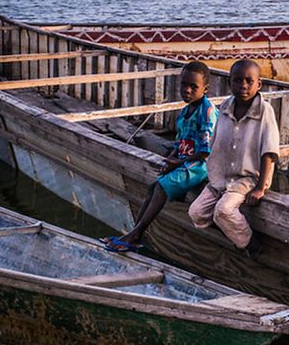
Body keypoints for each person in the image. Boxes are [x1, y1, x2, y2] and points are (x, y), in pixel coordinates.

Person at [101, 61, 217, 252]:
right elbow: (180, 143)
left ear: (205, 89)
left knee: (162, 187)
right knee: (153, 187)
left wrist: (178, 162)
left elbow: (206, 150)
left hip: (202, 164)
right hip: (187, 160)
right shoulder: (186, 111)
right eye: (184, 85)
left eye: (193, 87)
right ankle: (134, 233)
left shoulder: (207, 112)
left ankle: (136, 234)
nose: (187, 90)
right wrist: (171, 159)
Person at [188, 59, 279, 259]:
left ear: (259, 84)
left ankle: (251, 244)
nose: (243, 86)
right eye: (237, 81)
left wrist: (260, 188)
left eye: (249, 81)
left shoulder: (265, 111)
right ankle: (233, 232)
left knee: (223, 210)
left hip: (246, 179)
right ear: (230, 83)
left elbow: (269, 151)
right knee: (196, 213)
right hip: (221, 177)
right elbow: (216, 142)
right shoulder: (226, 106)